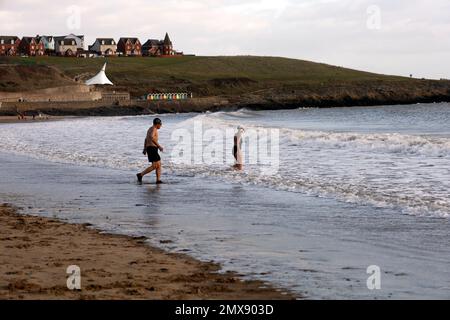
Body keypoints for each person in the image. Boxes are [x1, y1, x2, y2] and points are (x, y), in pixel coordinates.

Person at [137, 118, 164, 184]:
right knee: (155, 166)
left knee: (159, 165)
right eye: (160, 124)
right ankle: (140, 175)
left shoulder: (150, 129)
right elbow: (151, 138)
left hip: (150, 148)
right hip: (152, 148)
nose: (160, 126)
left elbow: (146, 139)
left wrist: (145, 149)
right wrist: (159, 146)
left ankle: (158, 180)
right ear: (157, 124)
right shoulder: (154, 129)